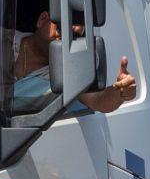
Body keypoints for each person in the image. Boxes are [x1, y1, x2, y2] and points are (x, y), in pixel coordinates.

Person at [9, 9, 137, 114]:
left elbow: (98, 101)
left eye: (74, 37)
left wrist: (120, 93)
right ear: (42, 20)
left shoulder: (66, 73)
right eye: (62, 29)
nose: (65, 40)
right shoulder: (1, 41)